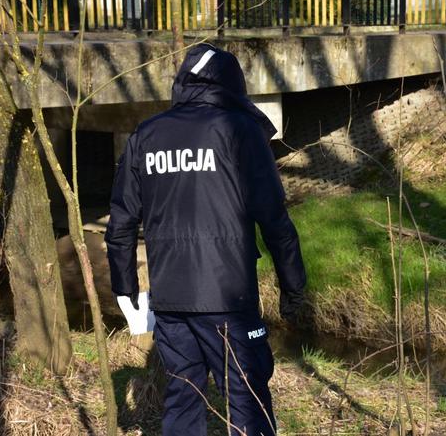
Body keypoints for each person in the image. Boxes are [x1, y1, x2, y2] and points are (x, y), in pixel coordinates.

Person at [105, 43, 306, 436]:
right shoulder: (240, 130)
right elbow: (274, 219)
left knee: (183, 395)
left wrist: (125, 287)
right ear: (232, 84)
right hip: (229, 298)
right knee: (246, 400)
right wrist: (293, 287)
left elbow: (121, 221)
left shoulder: (146, 134)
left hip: (170, 299)